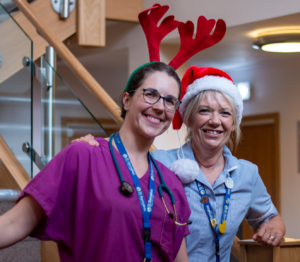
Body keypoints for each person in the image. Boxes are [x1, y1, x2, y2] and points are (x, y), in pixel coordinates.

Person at [78, 65, 286, 262]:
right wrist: (92, 145)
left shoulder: (246, 173)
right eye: (204, 111)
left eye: (225, 113)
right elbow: (114, 169)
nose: (215, 120)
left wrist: (273, 229)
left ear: (233, 124)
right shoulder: (159, 164)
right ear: (188, 118)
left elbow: (270, 218)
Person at [0, 62, 192, 262]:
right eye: (150, 94)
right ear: (126, 100)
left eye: (170, 101)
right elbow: (13, 223)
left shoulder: (170, 184)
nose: (160, 107)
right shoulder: (82, 157)